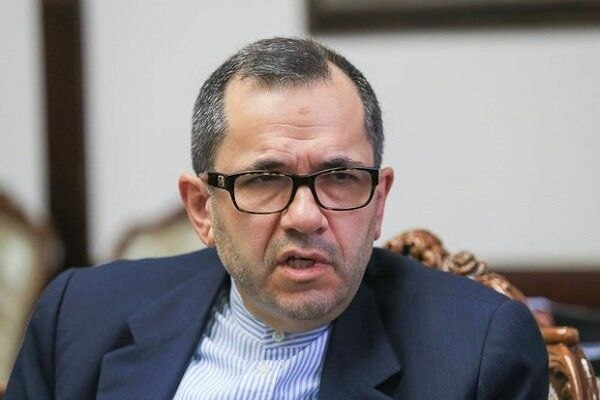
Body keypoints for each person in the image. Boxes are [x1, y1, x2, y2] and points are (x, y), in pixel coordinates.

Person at [6, 37, 548, 399]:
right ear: (202, 209)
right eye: (265, 179)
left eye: (340, 177)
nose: (306, 217)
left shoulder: (476, 353)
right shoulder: (79, 318)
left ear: (379, 201)